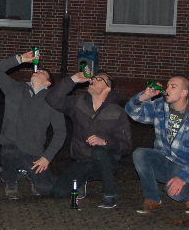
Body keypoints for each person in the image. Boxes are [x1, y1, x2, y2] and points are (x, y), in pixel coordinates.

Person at [125, 76, 189, 214]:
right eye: (167, 86)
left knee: (174, 192)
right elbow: (132, 112)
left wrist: (182, 177)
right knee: (140, 154)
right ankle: (152, 199)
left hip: (186, 165)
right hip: (164, 159)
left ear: (184, 93)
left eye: (173, 87)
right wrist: (145, 96)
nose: (167, 89)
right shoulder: (160, 106)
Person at [45, 70, 131, 208]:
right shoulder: (78, 102)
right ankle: (81, 181)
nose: (93, 80)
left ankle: (110, 194)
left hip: (106, 162)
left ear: (108, 88)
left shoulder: (117, 112)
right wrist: (73, 79)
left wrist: (105, 141)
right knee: (59, 192)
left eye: (99, 79)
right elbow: (52, 99)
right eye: (93, 78)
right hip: (82, 160)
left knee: (99, 151)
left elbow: (126, 145)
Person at [0, 51, 66, 199]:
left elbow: (60, 131)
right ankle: (11, 180)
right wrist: (21, 59)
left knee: (46, 189)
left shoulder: (52, 100)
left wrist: (46, 157)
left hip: (33, 152)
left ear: (48, 83)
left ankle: (28, 173)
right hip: (12, 145)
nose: (38, 71)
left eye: (43, 72)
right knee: (9, 151)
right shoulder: (14, 88)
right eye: (38, 70)